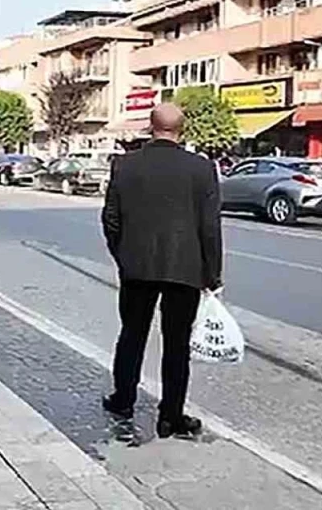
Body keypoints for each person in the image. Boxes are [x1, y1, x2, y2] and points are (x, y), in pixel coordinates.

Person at [100, 103, 223, 439]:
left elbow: (111, 218)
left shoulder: (125, 164)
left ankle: (123, 399)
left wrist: (123, 255)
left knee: (132, 334)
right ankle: (170, 416)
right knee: (177, 344)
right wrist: (212, 274)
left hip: (136, 267)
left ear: (150, 126)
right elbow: (210, 227)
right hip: (185, 267)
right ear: (181, 129)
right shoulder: (201, 168)